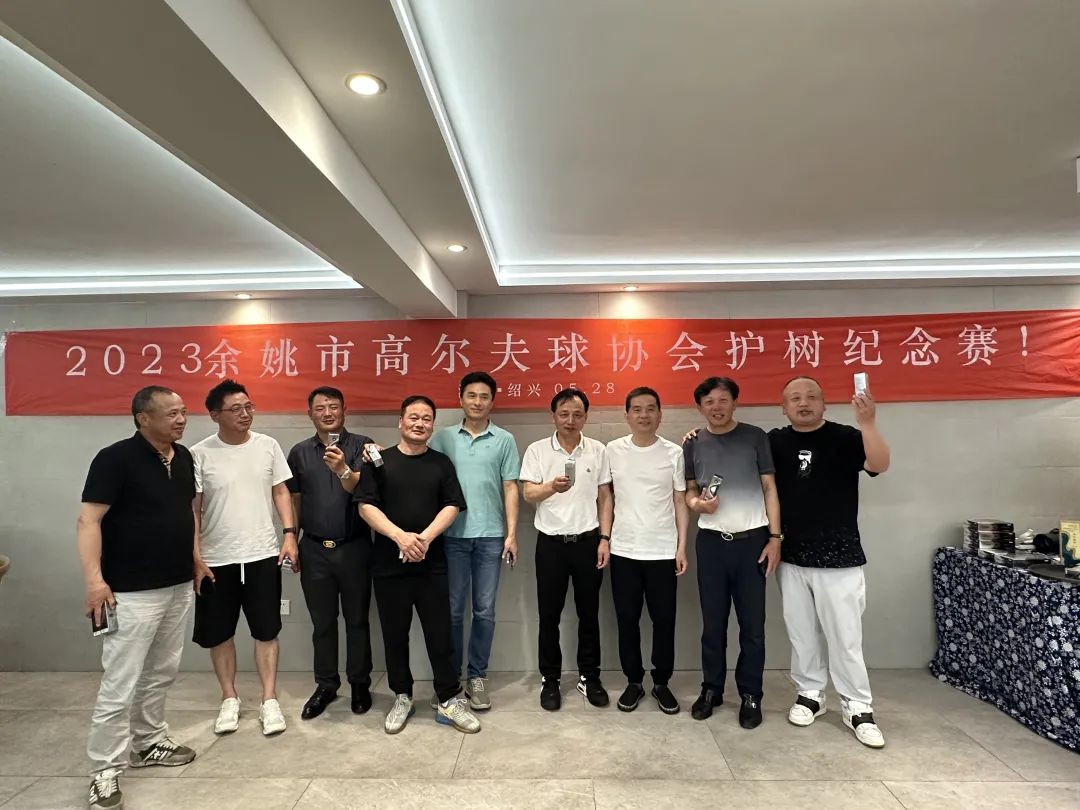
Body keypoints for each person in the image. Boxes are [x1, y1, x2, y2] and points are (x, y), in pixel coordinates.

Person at [79, 386, 198, 810]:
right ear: (143, 418)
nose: (181, 420)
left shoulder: (183, 457)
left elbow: (187, 513)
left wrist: (196, 559)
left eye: (183, 412)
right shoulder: (114, 459)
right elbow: (88, 521)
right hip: (129, 593)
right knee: (120, 682)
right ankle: (104, 770)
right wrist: (95, 581)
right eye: (171, 414)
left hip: (178, 585)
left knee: (162, 671)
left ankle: (148, 742)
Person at [769, 376, 890, 748]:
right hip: (791, 555)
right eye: (795, 398)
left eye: (811, 397)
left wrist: (868, 423)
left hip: (840, 556)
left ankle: (858, 705)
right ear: (784, 407)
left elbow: (880, 464)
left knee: (845, 637)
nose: (803, 403)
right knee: (801, 631)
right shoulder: (774, 442)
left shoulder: (846, 436)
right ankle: (810, 694)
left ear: (824, 403)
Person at [354, 395, 481, 735]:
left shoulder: (440, 464)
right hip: (388, 565)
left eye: (426, 418)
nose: (419, 423)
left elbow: (453, 505)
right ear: (400, 422)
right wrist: (400, 537)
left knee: (440, 634)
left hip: (431, 564)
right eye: (413, 417)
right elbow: (365, 506)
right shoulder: (379, 461)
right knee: (394, 635)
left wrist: (422, 539)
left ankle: (448, 698)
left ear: (432, 426)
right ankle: (402, 695)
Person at [191, 380, 297, 737]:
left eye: (249, 407)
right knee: (219, 632)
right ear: (215, 415)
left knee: (267, 630)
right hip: (215, 558)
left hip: (262, 553)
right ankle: (229, 698)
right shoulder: (199, 454)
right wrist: (195, 554)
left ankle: (269, 699)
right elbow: (194, 508)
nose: (245, 414)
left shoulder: (267, 446)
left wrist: (289, 534)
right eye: (236, 409)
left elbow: (281, 491)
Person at [683, 376, 781, 729]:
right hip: (711, 543)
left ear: (734, 402)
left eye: (723, 400)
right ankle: (711, 689)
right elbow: (689, 492)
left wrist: (775, 537)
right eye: (709, 402)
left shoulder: (755, 437)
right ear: (699, 407)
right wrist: (698, 505)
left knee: (753, 626)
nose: (717, 407)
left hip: (752, 543)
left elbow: (769, 488)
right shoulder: (693, 443)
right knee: (713, 624)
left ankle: (751, 694)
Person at [429, 371, 521, 711]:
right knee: (452, 612)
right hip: (451, 537)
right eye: (471, 395)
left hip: (491, 537)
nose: (477, 402)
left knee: (484, 611)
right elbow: (427, 477)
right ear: (460, 398)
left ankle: (477, 676)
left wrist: (512, 534)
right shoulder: (443, 438)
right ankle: (451, 679)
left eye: (484, 396)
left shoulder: (505, 439)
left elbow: (510, 487)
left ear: (492, 401)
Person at [287, 386, 377, 720]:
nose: (328, 413)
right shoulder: (299, 452)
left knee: (357, 621)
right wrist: (291, 539)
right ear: (310, 413)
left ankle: (360, 684)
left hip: (354, 547)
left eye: (334, 406)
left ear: (344, 410)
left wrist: (343, 468)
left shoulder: (363, 446)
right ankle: (326, 685)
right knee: (322, 622)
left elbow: (369, 488)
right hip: (314, 549)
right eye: (320, 408)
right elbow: (294, 500)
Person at [520, 389, 614, 710]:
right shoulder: (537, 450)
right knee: (549, 616)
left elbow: (605, 497)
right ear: (553, 416)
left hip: (588, 543)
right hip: (551, 545)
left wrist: (605, 538)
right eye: (564, 414)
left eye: (577, 414)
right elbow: (528, 494)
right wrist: (551, 487)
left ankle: (590, 676)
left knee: (589, 614)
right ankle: (551, 679)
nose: (570, 420)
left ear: (585, 417)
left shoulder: (597, 450)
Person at [606, 387, 689, 714]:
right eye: (637, 409)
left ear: (660, 414)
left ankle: (662, 683)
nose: (644, 415)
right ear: (627, 415)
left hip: (663, 551)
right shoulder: (613, 450)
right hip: (624, 550)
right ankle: (634, 681)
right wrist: (604, 538)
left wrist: (681, 547)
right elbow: (606, 497)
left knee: (664, 620)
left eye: (650, 409)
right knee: (626, 619)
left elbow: (680, 501)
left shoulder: (674, 453)